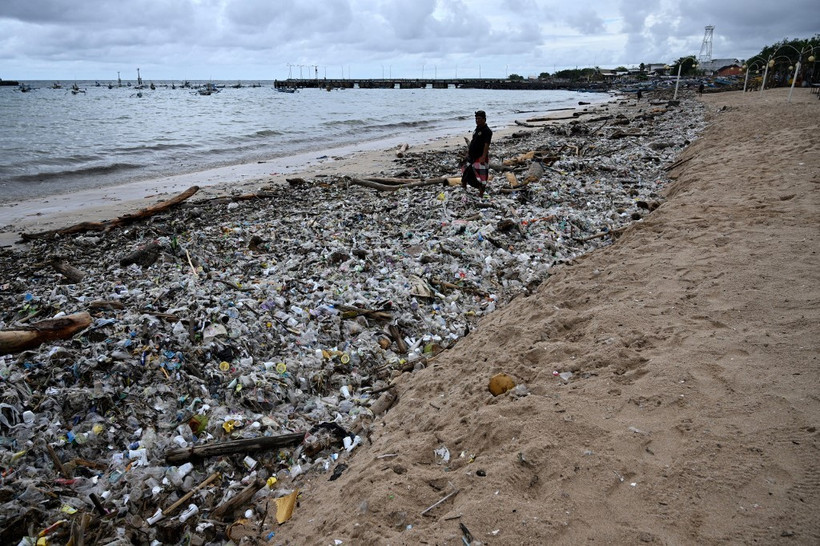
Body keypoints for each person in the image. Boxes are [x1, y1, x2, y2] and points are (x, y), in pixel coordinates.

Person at [461, 110, 493, 197]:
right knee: (466, 171)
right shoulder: (477, 129)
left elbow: (487, 144)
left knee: (481, 175)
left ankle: (481, 192)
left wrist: (483, 156)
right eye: (476, 118)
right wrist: (468, 152)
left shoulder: (487, 131)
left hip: (480, 156)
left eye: (479, 118)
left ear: (484, 119)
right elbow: (473, 141)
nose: (477, 120)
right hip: (472, 156)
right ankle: (463, 187)